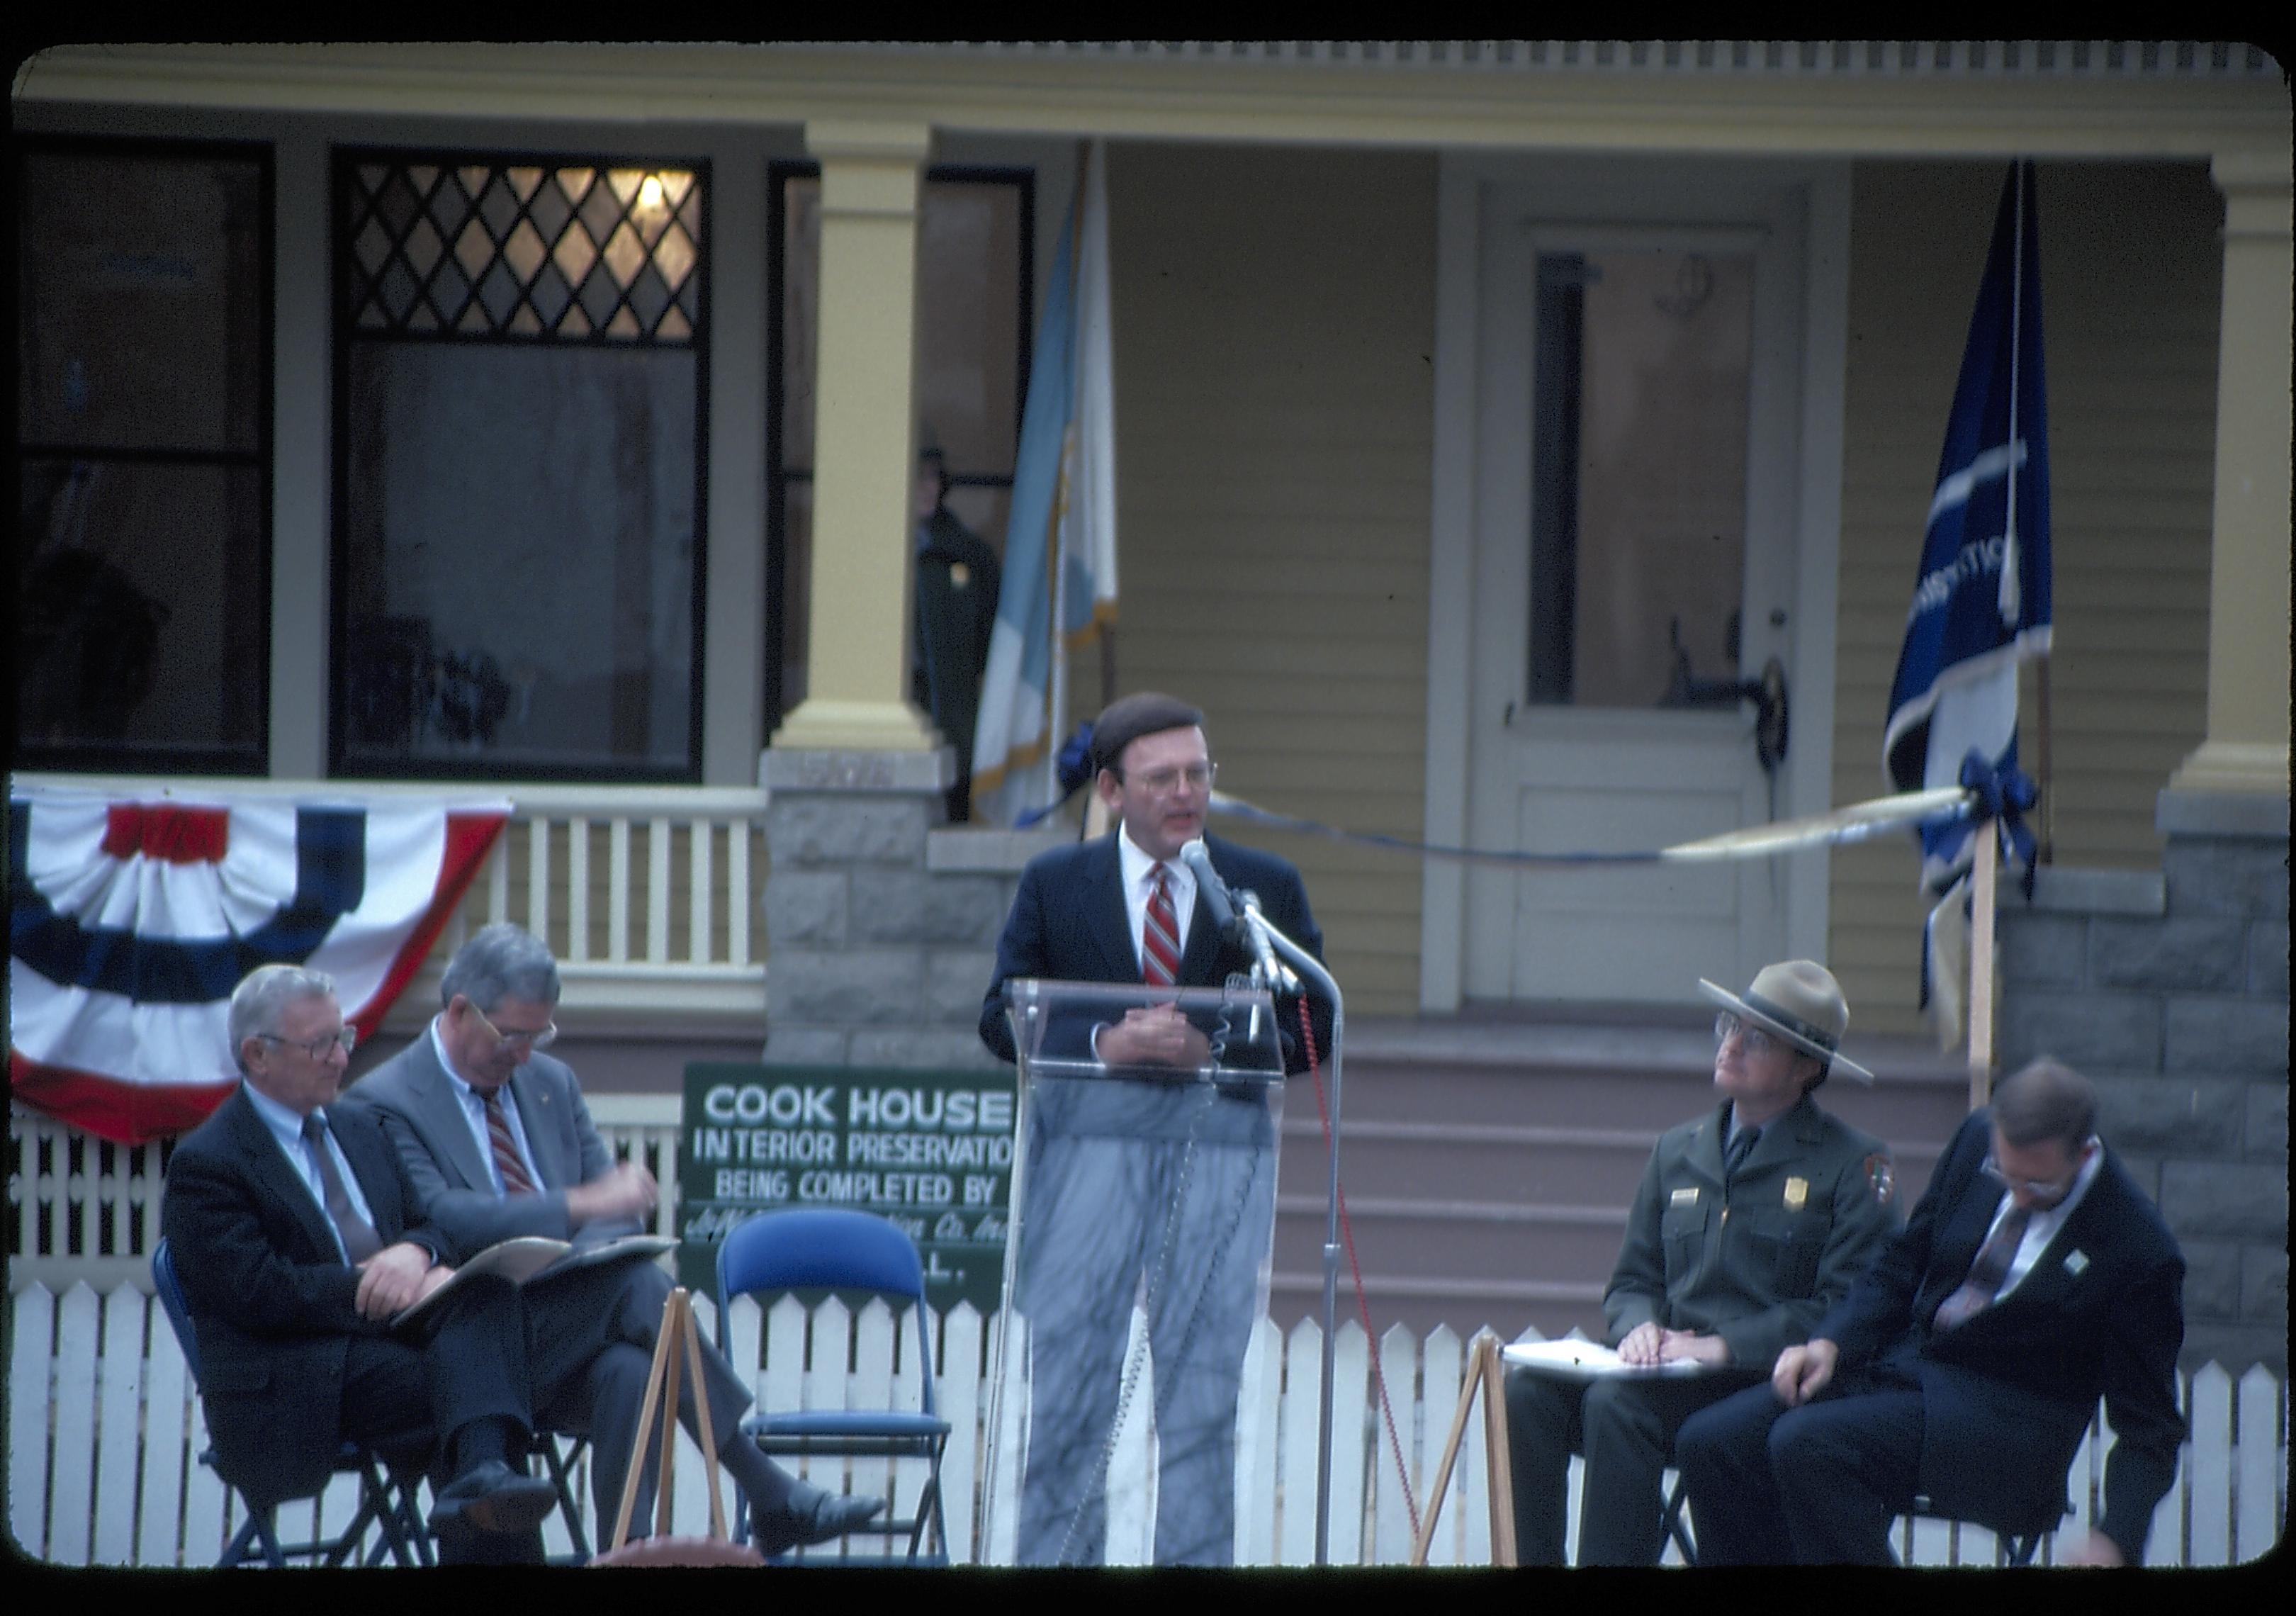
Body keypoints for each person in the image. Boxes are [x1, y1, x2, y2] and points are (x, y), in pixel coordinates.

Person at [342, 923, 884, 1555]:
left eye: (538, 1034)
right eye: (511, 1034)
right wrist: (579, 1208)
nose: (523, 1054)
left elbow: (616, 1213)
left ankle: (626, 1551)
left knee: (630, 1367)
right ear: (460, 1011)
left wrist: (578, 1250)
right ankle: (766, 1488)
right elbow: (446, 1217)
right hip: (470, 1355)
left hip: (564, 1328)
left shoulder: (551, 1082)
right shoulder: (384, 1101)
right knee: (638, 1286)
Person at [979, 691, 1331, 1565]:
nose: (1186, 793)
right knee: (1068, 1408)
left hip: (1216, 1168)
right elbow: (999, 1017)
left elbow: (1315, 1025)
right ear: (1110, 790)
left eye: (1199, 774)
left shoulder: (1260, 889)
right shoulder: (1056, 885)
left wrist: (1205, 1050)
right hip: (1086, 1168)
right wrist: (1106, 1040)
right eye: (1162, 777)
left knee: (1202, 1407)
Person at [1675, 1057, 2186, 1566]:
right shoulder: (1976, 1138)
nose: (2019, 1196)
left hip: (2005, 1426)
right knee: (1712, 1441)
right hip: (1904, 1373)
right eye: (2006, 1175)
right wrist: (1829, 1342)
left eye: (2041, 1186)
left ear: (2085, 1152)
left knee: (1809, 1446)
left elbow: (2152, 1427)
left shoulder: (2137, 1248)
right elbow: (1903, 1261)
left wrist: (2117, 1537)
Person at [1500, 959, 1903, 1565]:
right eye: (1728, 1026)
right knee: (1528, 1392)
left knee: (1616, 1407)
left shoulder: (1852, 1165)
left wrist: (1721, 1346)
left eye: (1758, 1039)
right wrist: (1637, 1327)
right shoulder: (1678, 1150)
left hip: (1757, 1381)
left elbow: (1844, 1308)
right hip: (1664, 1375)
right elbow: (1633, 1279)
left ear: (1805, 1070)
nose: (1731, 1046)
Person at [159, 964, 562, 1557]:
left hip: (396, 1344)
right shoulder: (209, 1164)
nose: (340, 1059)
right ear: (258, 1055)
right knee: (475, 1389)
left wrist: (415, 1252)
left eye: (343, 1038)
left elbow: (431, 1224)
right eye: (321, 1044)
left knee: (490, 1298)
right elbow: (259, 1293)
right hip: (295, 1373)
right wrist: (378, 1284)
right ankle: (486, 1483)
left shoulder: (359, 1127)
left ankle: (483, 1480)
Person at [912, 439, 1001, 823]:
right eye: (919, 477)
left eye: (934, 478)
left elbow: (989, 636)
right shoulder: (878, 551)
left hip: (955, 717)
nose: (929, 488)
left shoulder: (967, 554)